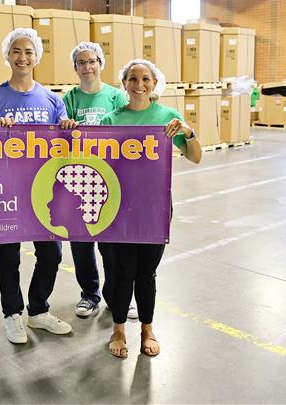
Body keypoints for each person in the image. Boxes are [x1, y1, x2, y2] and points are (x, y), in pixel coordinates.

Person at [0, 27, 79, 345]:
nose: (22, 57)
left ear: (37, 57)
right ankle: (12, 315)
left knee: (50, 254)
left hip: (44, 190)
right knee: (9, 256)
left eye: (29, 51)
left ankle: (37, 310)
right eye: (16, 51)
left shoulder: (52, 100)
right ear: (7, 55)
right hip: (7, 190)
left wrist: (68, 129)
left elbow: (66, 146)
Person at [99, 58, 202, 359]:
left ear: (155, 83)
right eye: (132, 78)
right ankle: (118, 328)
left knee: (146, 272)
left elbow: (195, 157)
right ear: (124, 84)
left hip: (155, 207)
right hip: (117, 207)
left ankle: (147, 328)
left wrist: (189, 132)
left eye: (146, 79)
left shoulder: (168, 118)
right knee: (121, 272)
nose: (139, 84)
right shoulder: (110, 120)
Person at [61, 42, 134, 320]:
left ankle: (118, 296)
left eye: (92, 61)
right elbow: (58, 133)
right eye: (81, 62)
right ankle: (89, 295)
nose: (87, 66)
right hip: (78, 178)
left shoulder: (116, 96)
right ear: (75, 68)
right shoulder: (69, 99)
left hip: (110, 178)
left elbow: (129, 128)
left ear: (100, 64)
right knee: (81, 242)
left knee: (111, 245)